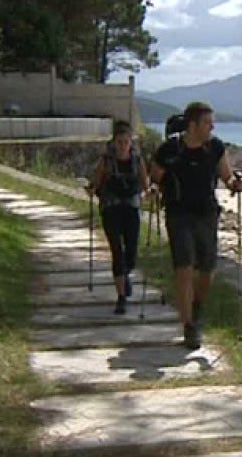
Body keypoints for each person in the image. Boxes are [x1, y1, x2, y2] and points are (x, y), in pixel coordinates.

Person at [149, 101, 242, 349]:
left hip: (207, 214)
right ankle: (189, 326)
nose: (212, 126)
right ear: (192, 125)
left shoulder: (214, 147)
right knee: (183, 268)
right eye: (207, 122)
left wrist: (235, 184)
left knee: (207, 271)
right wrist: (153, 189)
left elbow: (226, 175)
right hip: (178, 213)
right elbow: (155, 177)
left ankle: (197, 307)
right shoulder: (169, 149)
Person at [87, 120, 149, 314]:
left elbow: (144, 183)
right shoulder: (106, 161)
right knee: (117, 252)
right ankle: (121, 297)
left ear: (131, 142)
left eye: (126, 141)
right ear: (114, 142)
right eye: (120, 142)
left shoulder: (137, 160)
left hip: (131, 210)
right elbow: (96, 181)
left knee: (131, 253)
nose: (123, 145)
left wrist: (150, 192)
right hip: (111, 210)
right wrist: (91, 189)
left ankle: (125, 276)